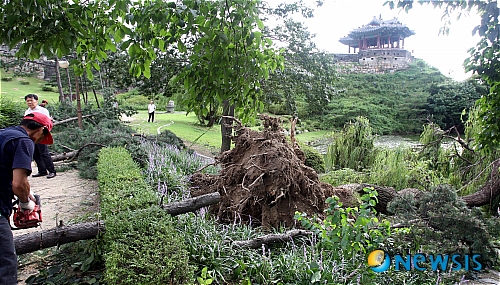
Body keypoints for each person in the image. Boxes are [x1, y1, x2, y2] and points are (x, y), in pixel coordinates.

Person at [0, 112, 54, 284]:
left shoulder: (4, 134)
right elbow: (18, 184)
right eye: (43, 136)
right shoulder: (24, 142)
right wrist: (25, 202)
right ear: (41, 129)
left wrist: (26, 191)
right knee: (5, 265)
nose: (39, 141)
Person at [24, 94, 56, 179]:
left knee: (44, 153)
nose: (30, 102)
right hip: (32, 136)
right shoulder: (27, 112)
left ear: (36, 101)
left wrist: (44, 133)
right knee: (35, 154)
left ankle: (52, 171)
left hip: (41, 134)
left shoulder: (43, 110)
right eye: (28, 101)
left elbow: (48, 122)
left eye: (31, 100)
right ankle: (42, 171)